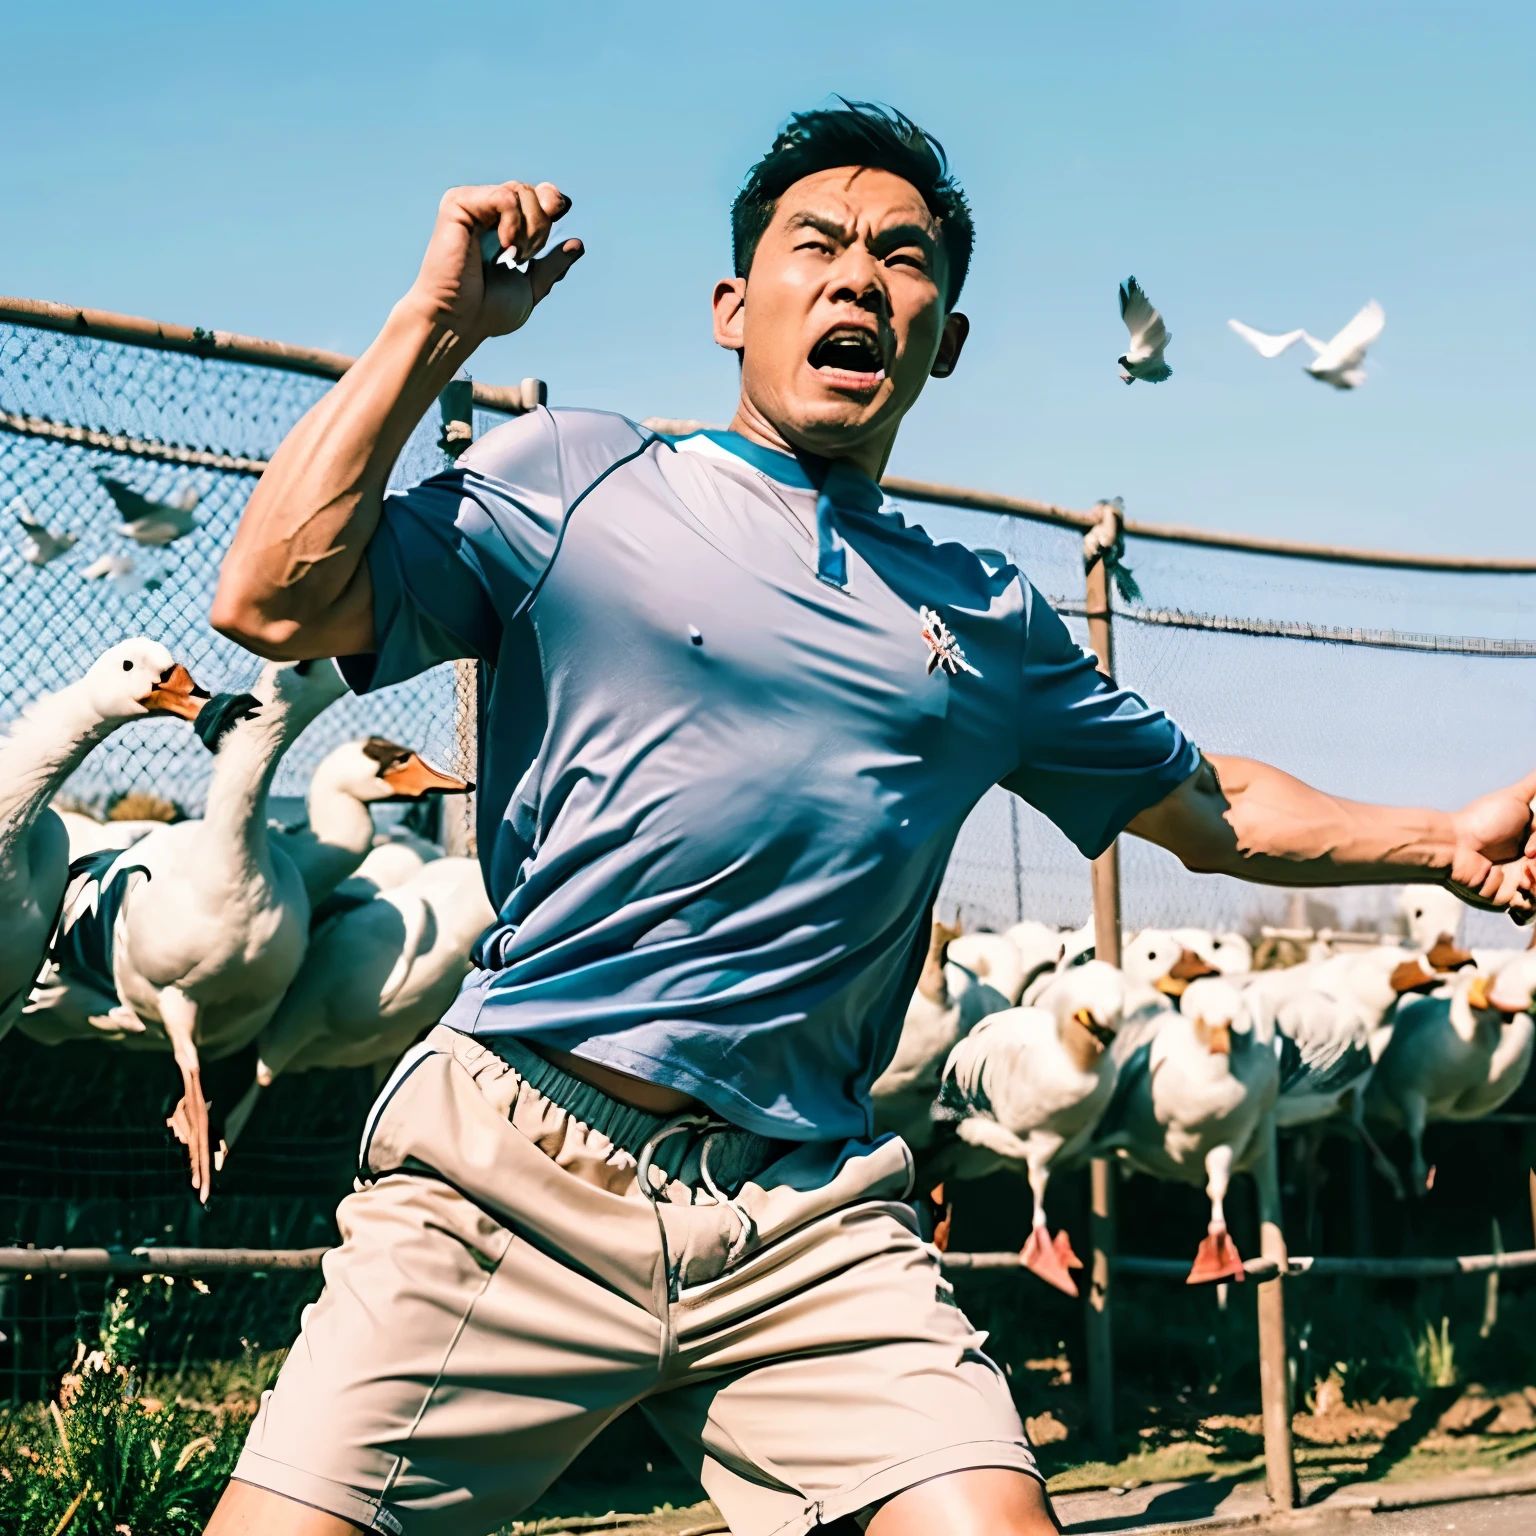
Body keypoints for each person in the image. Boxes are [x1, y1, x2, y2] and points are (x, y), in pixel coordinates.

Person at [205, 100, 1536, 1536]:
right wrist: (434, 326)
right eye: (817, 245)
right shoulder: (578, 479)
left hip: (808, 1216)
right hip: (514, 1173)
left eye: (903, 260)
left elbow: (1214, 811)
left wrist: (1444, 844)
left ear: (943, 338)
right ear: (733, 306)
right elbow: (273, 596)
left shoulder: (989, 621)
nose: (858, 278)